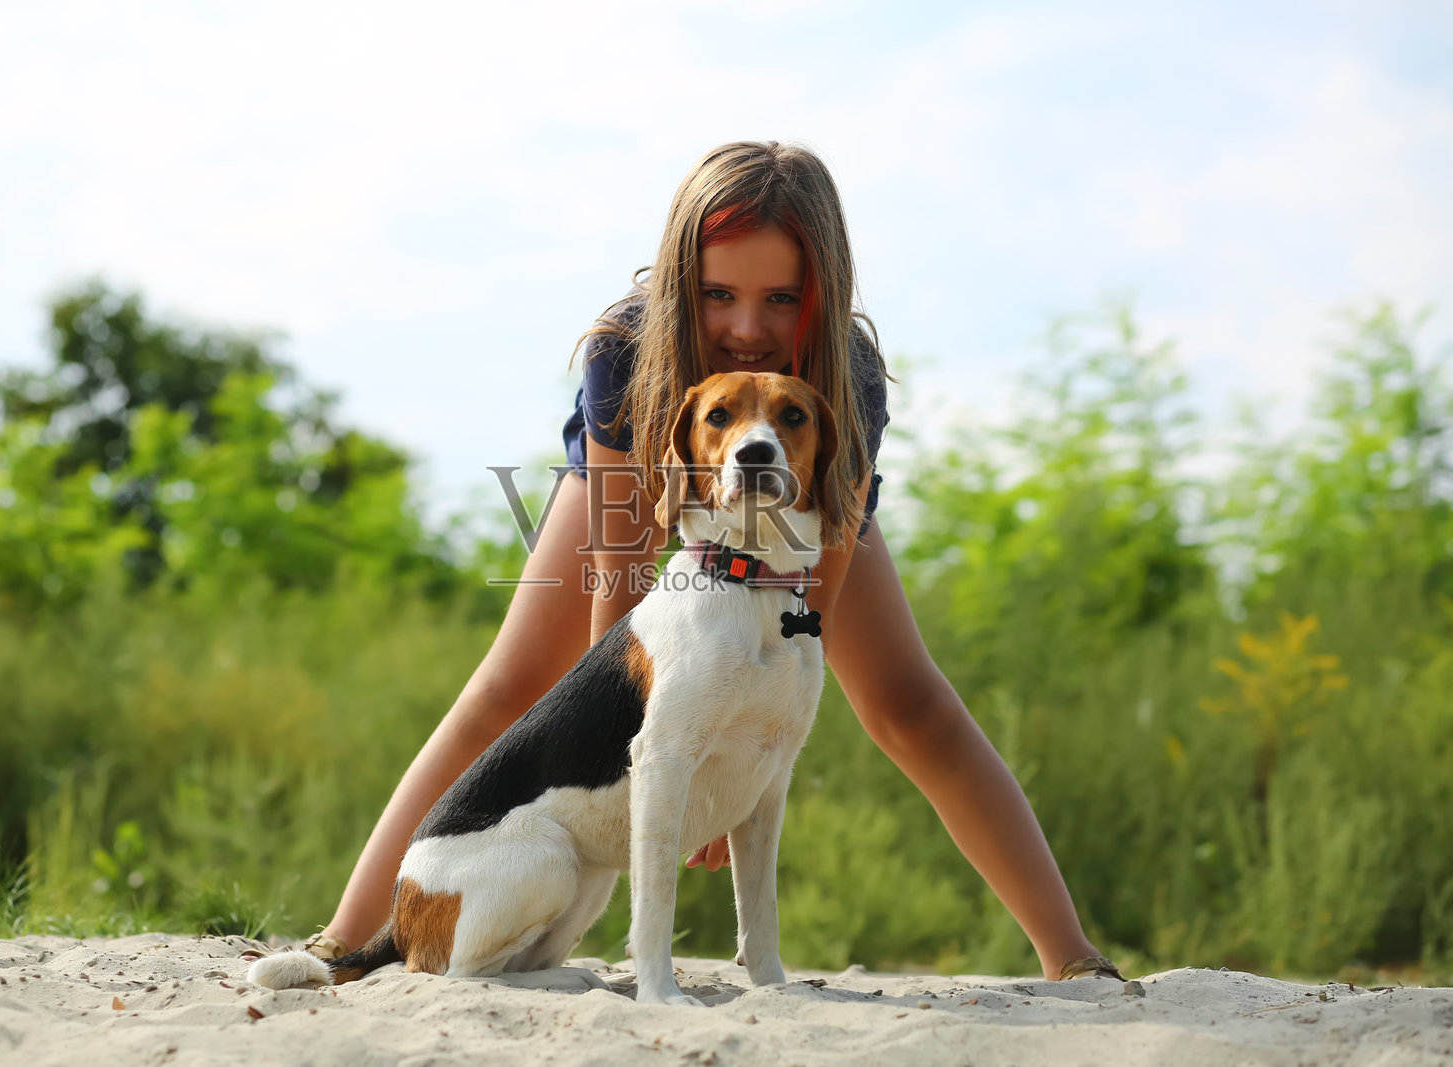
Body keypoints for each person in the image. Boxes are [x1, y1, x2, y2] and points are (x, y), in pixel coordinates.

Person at [294, 141, 1118, 982]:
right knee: (513, 681)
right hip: (650, 468)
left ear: (821, 295)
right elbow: (619, 586)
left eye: (781, 299)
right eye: (719, 295)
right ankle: (346, 936)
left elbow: (804, 610)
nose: (748, 326)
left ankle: (1073, 955)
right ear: (683, 282)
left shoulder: (849, 375)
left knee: (909, 703)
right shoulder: (626, 346)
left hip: (796, 503)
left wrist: (737, 755)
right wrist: (664, 737)